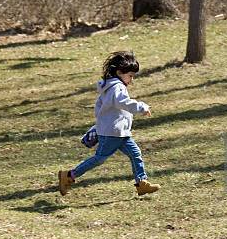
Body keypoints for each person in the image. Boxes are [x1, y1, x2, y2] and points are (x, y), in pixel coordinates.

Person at [58, 51, 160, 196]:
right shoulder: (117, 87)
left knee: (135, 153)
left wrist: (100, 125)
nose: (132, 80)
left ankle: (141, 183)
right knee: (99, 159)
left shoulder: (109, 87)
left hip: (120, 132)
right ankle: (69, 176)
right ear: (119, 72)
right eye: (130, 76)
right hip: (112, 133)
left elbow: (100, 108)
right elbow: (123, 103)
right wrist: (141, 107)